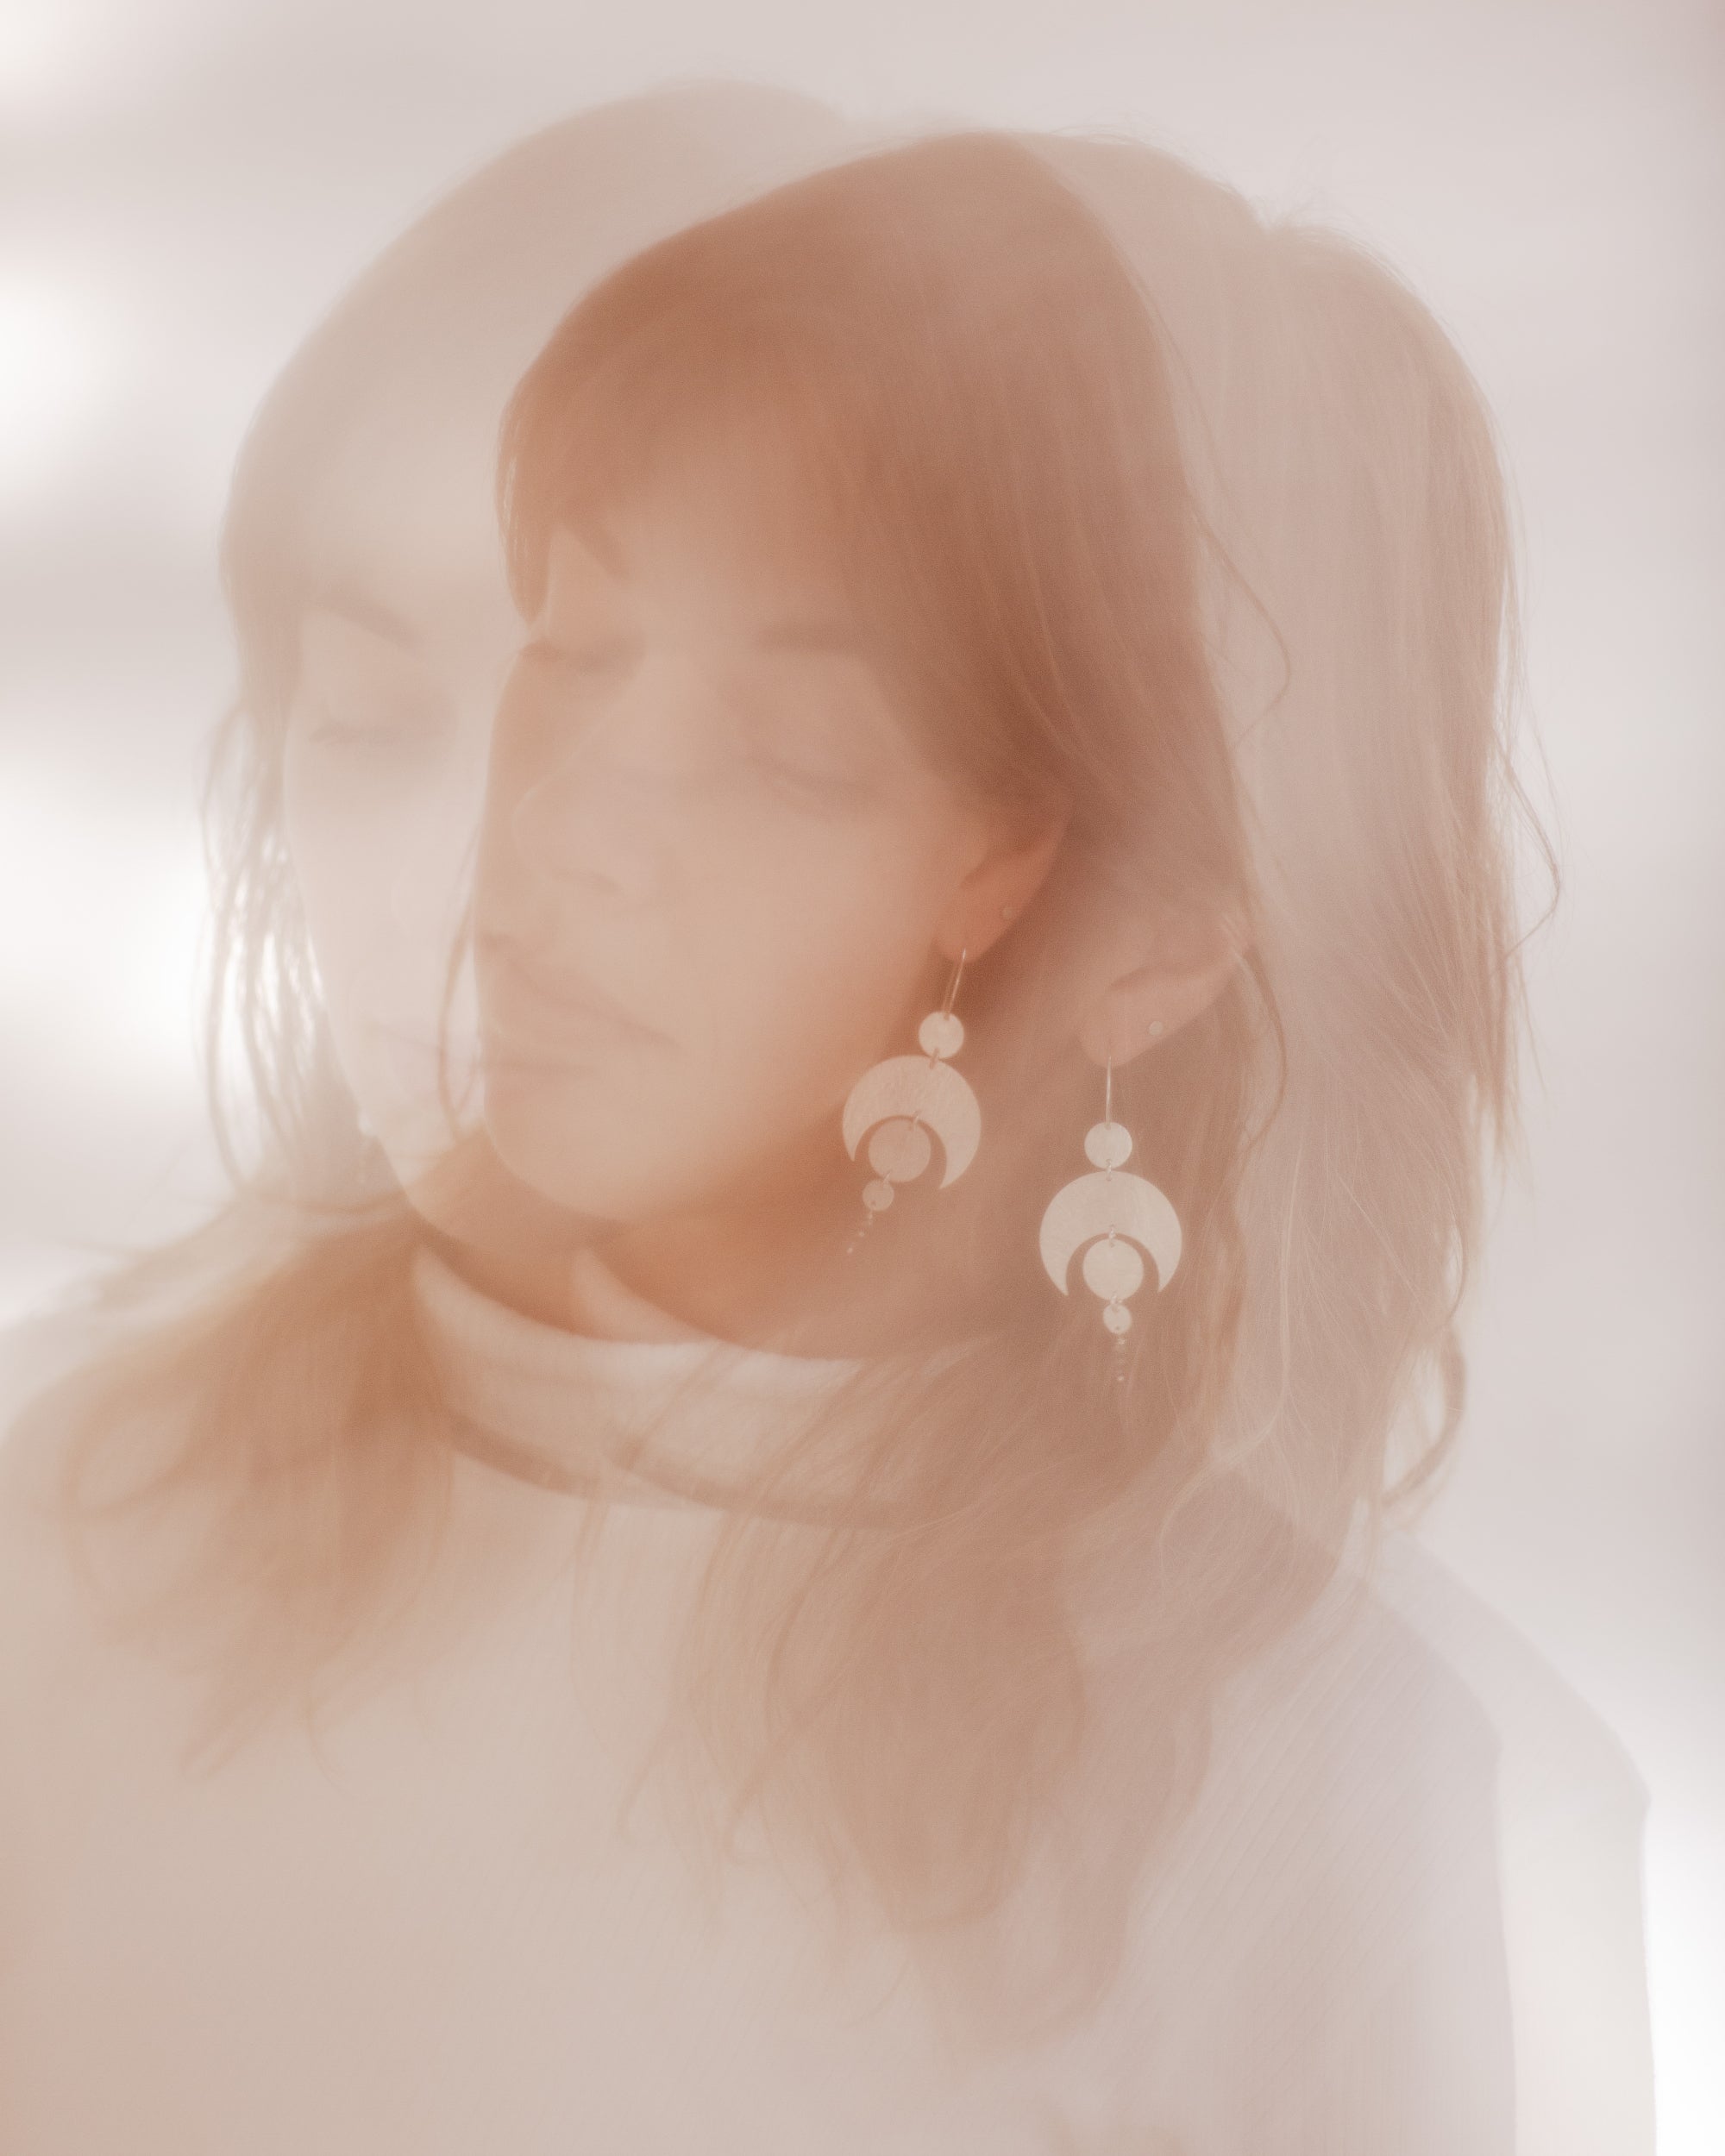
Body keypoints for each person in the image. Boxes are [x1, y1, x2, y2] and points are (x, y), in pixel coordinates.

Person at [0, 101, 1653, 2156]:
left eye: (785, 752)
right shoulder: (70, 1523)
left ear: (1126, 939)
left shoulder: (1299, 1777)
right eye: (579, 655)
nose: (566, 834)